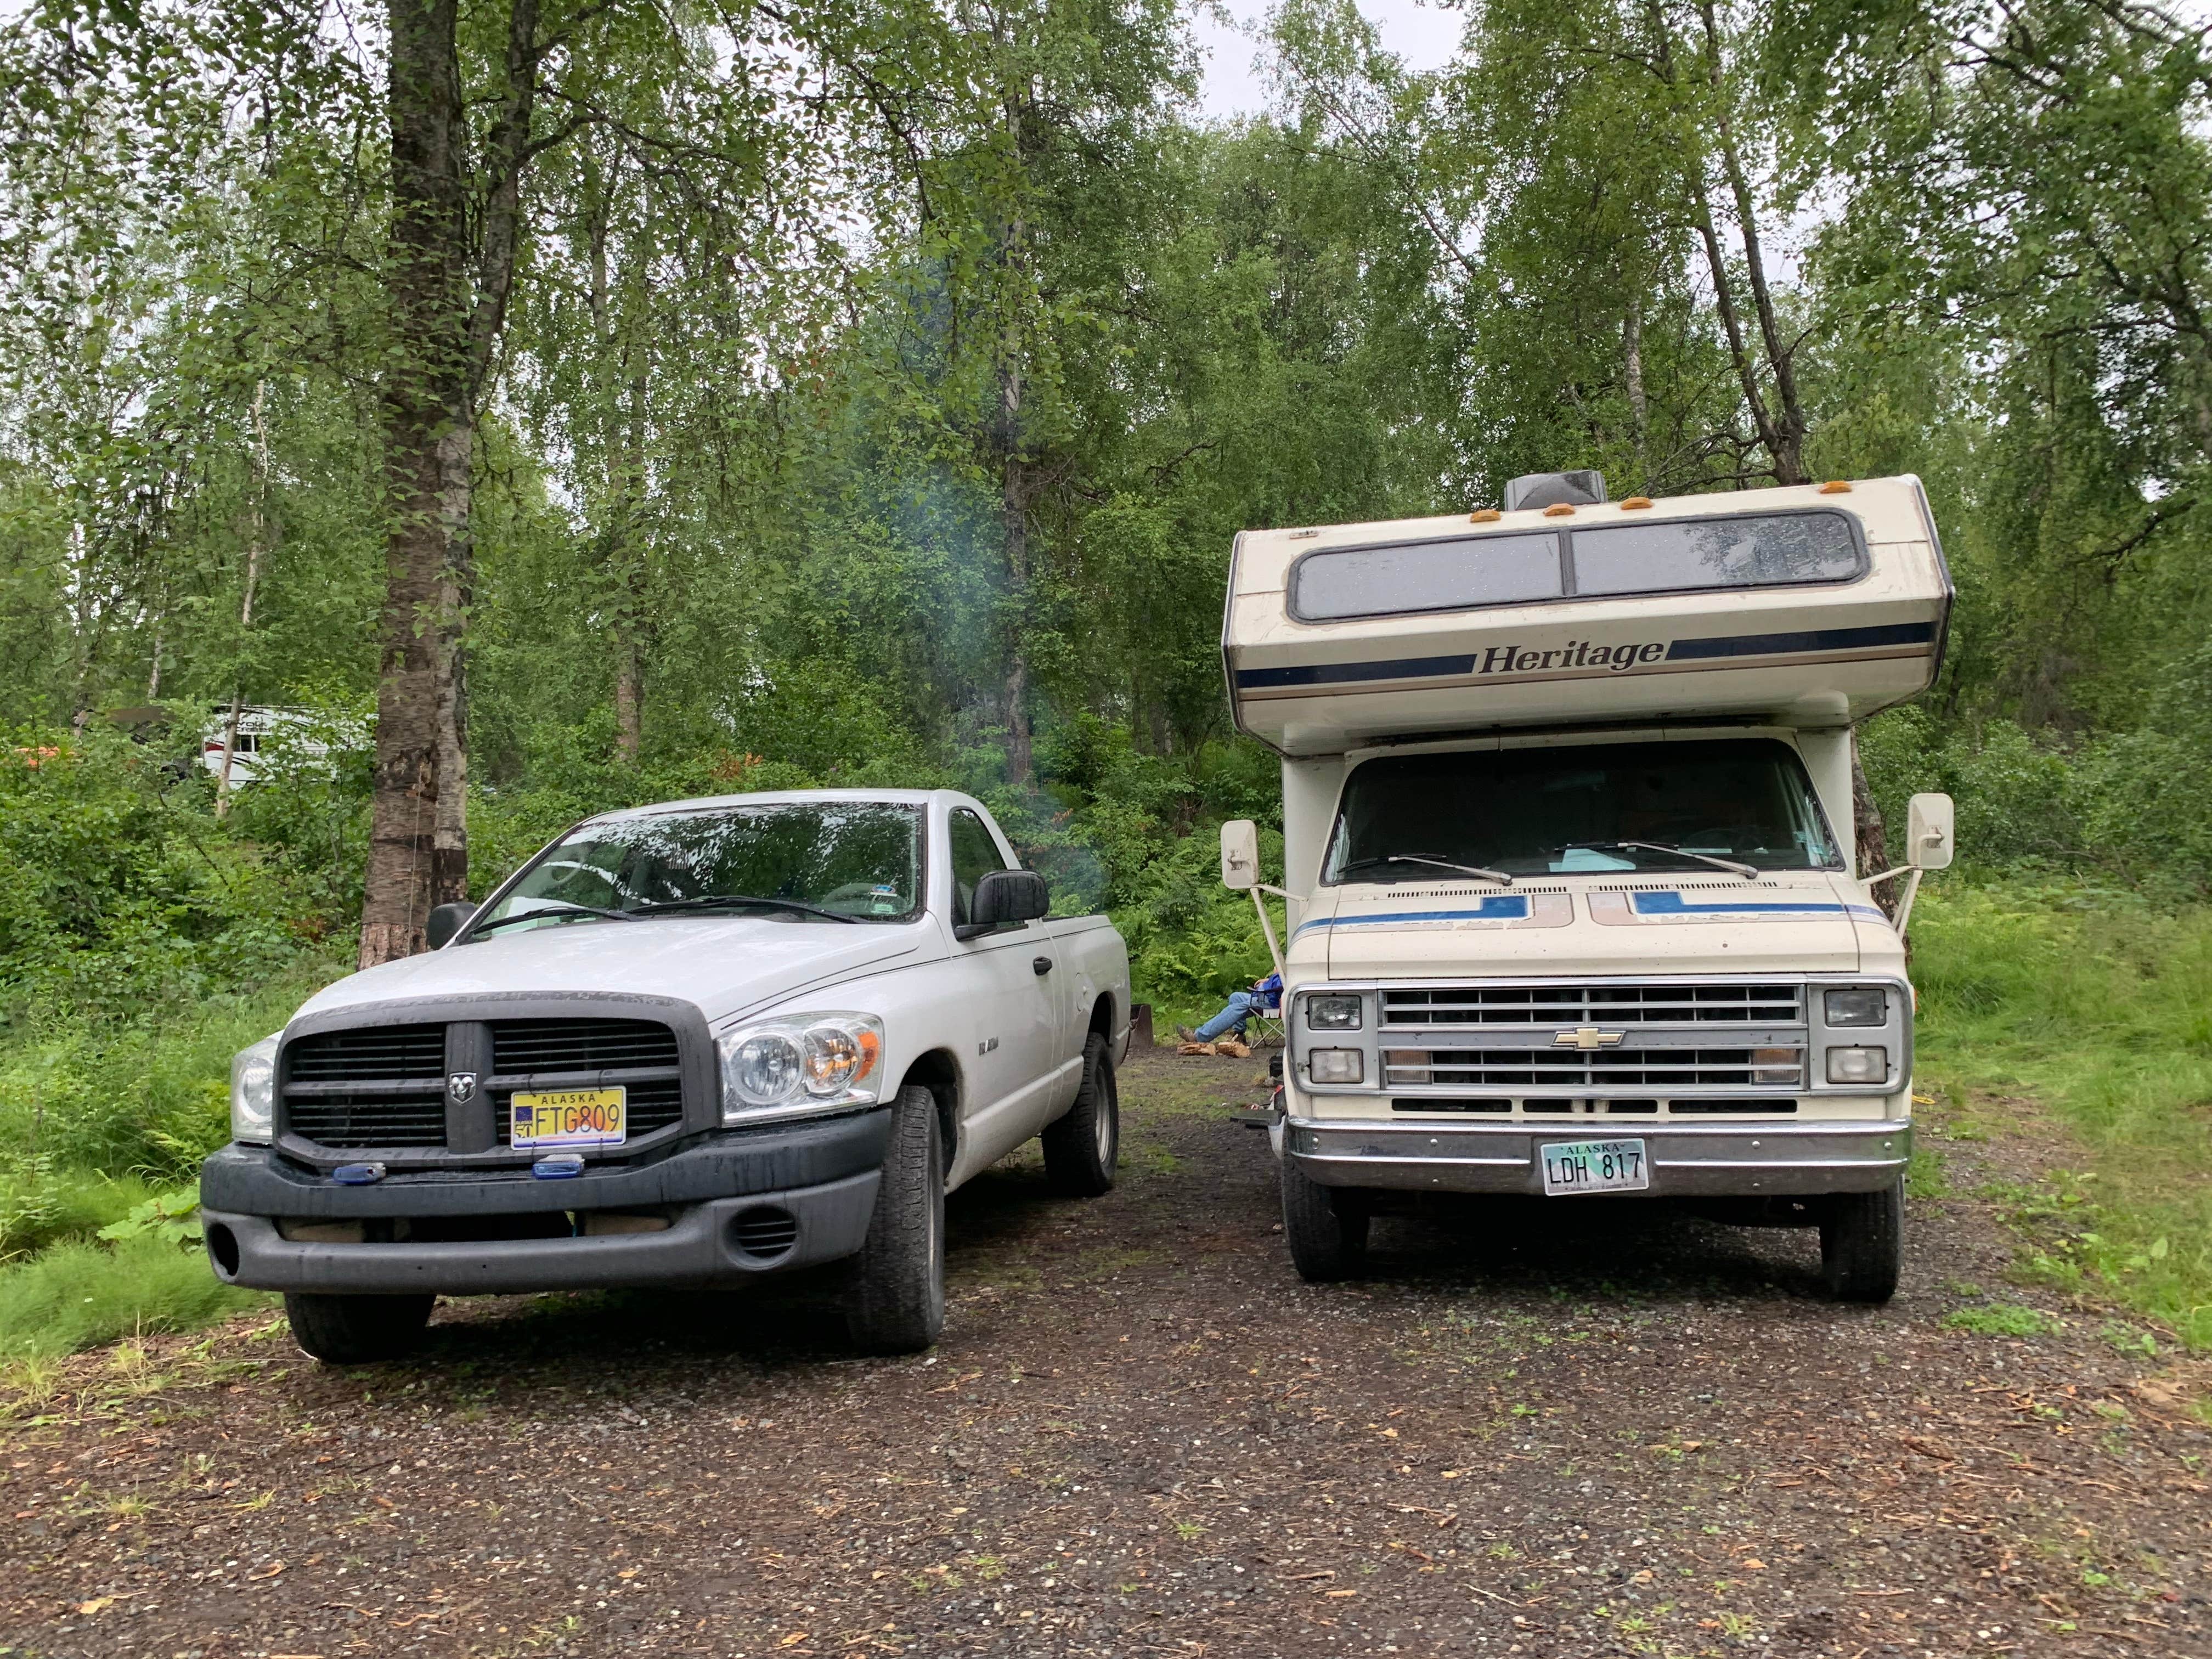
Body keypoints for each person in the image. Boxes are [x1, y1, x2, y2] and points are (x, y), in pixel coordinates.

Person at [1178, 972, 1283, 1045]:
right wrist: (1269, 980)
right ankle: (1239, 1035)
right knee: (1235, 997)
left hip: (1275, 1003)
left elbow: (1284, 984)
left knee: (1236, 1008)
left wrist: (1276, 975)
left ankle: (1199, 1037)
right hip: (1269, 997)